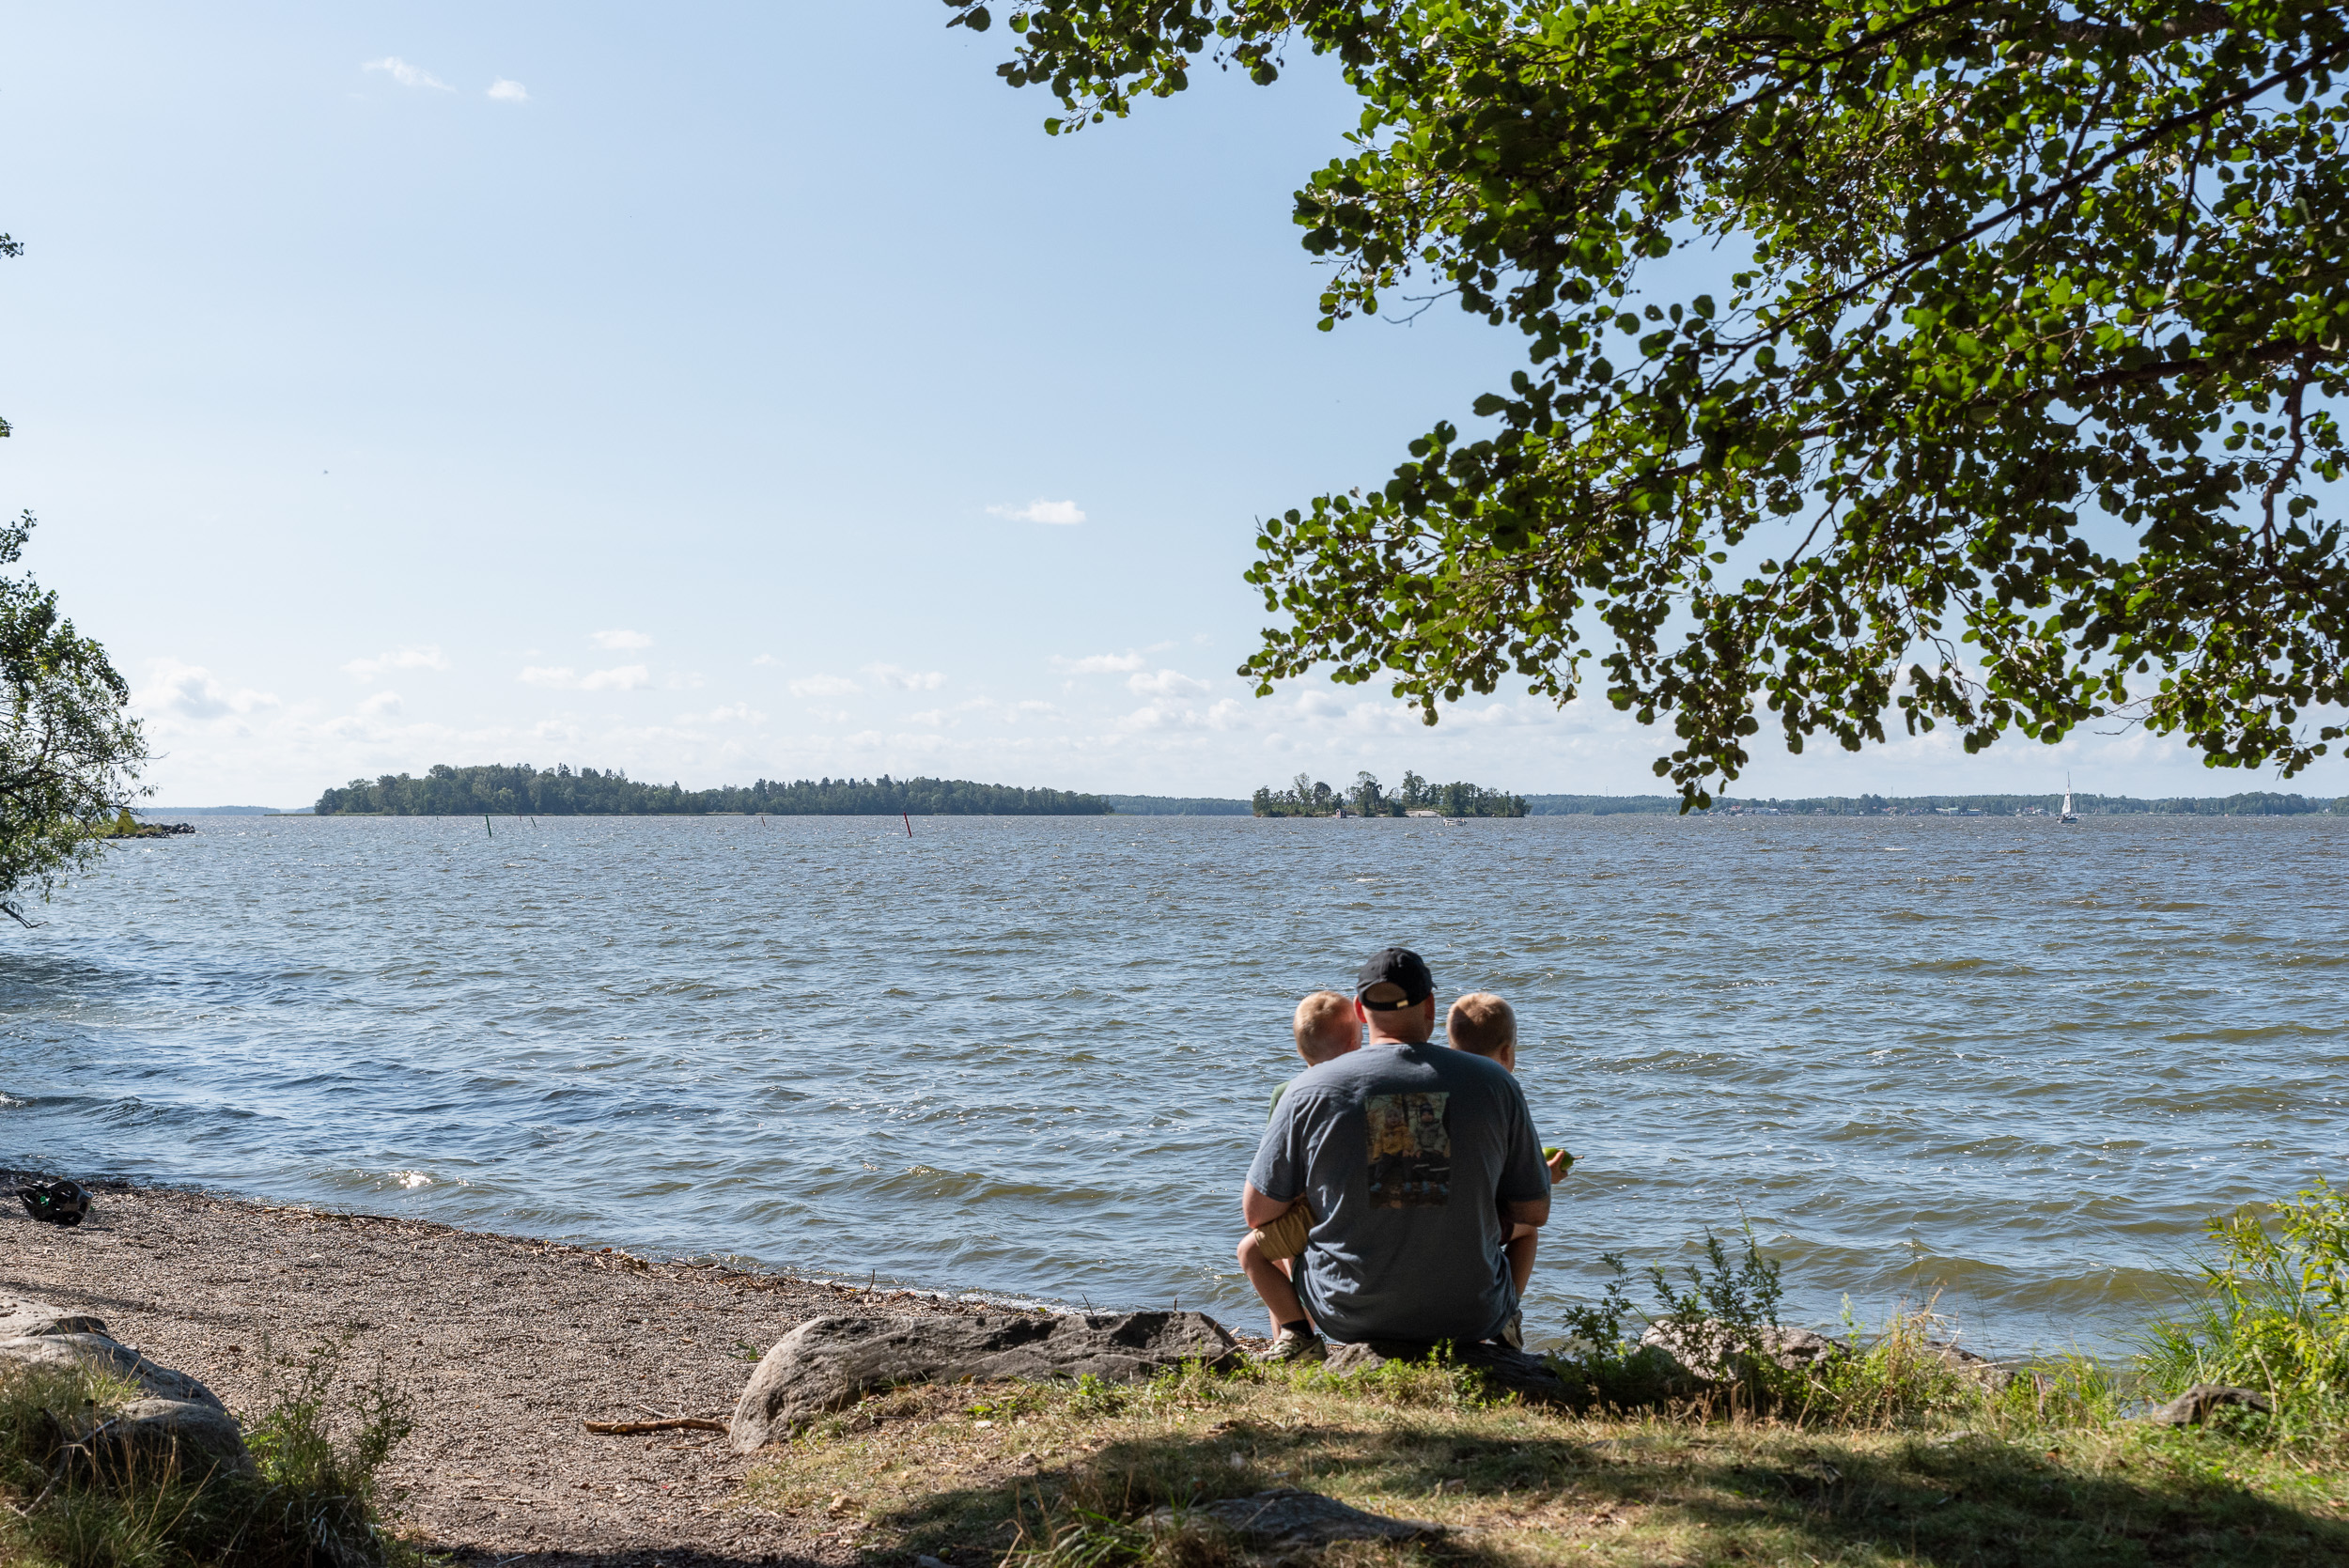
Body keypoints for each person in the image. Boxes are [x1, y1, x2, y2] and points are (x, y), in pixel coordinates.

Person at [1241, 948, 1552, 1362]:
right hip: (1472, 1316)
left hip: (1349, 1315)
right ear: (1430, 1006)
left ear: (1360, 1009)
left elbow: (1257, 1213)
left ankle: (1297, 1337)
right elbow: (1534, 1212)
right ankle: (1506, 1322)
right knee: (1521, 1231)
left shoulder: (1307, 1089)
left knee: (1275, 1236)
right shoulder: (1497, 1082)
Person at [1235, 991, 1360, 1336]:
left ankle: (1290, 1336)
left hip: (1307, 1206)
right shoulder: (1362, 1086)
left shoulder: (1287, 1092)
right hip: (1345, 1200)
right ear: (1353, 1044)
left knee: (1267, 1244)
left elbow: (1278, 1169)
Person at [1445, 992, 1573, 1305]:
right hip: (1470, 1230)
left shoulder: (1438, 1086)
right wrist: (1546, 1177)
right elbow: (1533, 1209)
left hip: (1426, 1224)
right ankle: (1507, 1312)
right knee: (1528, 1229)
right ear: (1506, 1053)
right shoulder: (1502, 1093)